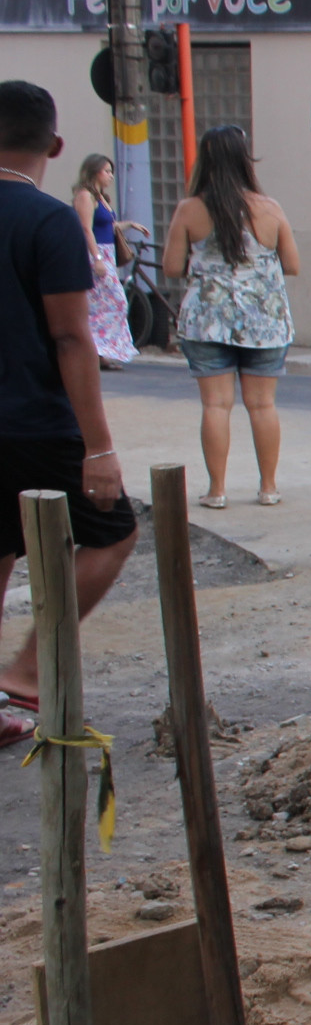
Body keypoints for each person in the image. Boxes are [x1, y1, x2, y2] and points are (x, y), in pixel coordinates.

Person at [0, 83, 136, 741]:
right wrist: (99, 446)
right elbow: (72, 338)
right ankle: (27, 669)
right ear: (55, 146)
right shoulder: (48, 220)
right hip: (34, 420)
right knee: (113, 531)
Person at [162, 125, 296, 510]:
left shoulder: (189, 209)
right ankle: (268, 487)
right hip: (264, 321)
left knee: (215, 406)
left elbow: (171, 267)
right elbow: (293, 264)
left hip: (207, 319)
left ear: (205, 160)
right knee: (263, 405)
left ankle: (217, 490)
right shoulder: (270, 208)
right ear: (244, 159)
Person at [67, 156, 137, 369]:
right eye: (106, 171)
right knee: (117, 302)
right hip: (95, 254)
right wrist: (97, 259)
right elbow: (86, 228)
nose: (110, 176)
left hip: (107, 254)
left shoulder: (101, 197)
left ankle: (99, 353)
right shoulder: (85, 196)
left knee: (101, 305)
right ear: (94, 171)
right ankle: (94, 349)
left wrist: (129, 225)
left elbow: (108, 226)